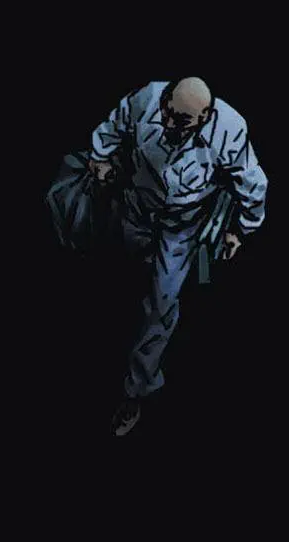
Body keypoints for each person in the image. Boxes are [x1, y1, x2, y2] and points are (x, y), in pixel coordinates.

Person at [83, 74, 267, 435]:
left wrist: (240, 230)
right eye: (166, 112)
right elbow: (114, 125)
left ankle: (136, 390)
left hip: (182, 225)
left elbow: (253, 184)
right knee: (121, 274)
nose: (168, 123)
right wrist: (99, 157)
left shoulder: (230, 130)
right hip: (137, 205)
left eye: (181, 120)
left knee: (162, 302)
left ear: (205, 117)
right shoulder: (148, 97)